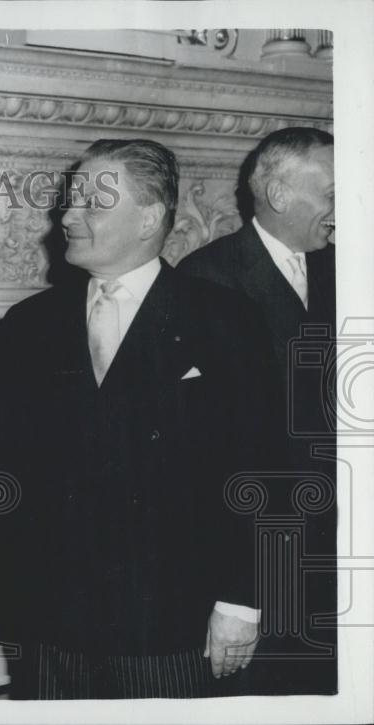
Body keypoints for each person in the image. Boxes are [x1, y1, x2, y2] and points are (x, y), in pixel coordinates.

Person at [0, 139, 279, 698]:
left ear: (148, 219)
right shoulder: (26, 326)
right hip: (51, 627)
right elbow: (1, 468)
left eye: (92, 204)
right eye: (70, 201)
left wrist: (241, 601)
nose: (68, 216)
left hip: (171, 626)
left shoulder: (224, 320)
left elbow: (259, 468)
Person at [178, 127, 337, 694]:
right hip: (265, 569)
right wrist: (238, 595)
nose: (343, 210)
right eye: (333, 196)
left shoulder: (343, 267)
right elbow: (207, 462)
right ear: (279, 196)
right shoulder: (203, 281)